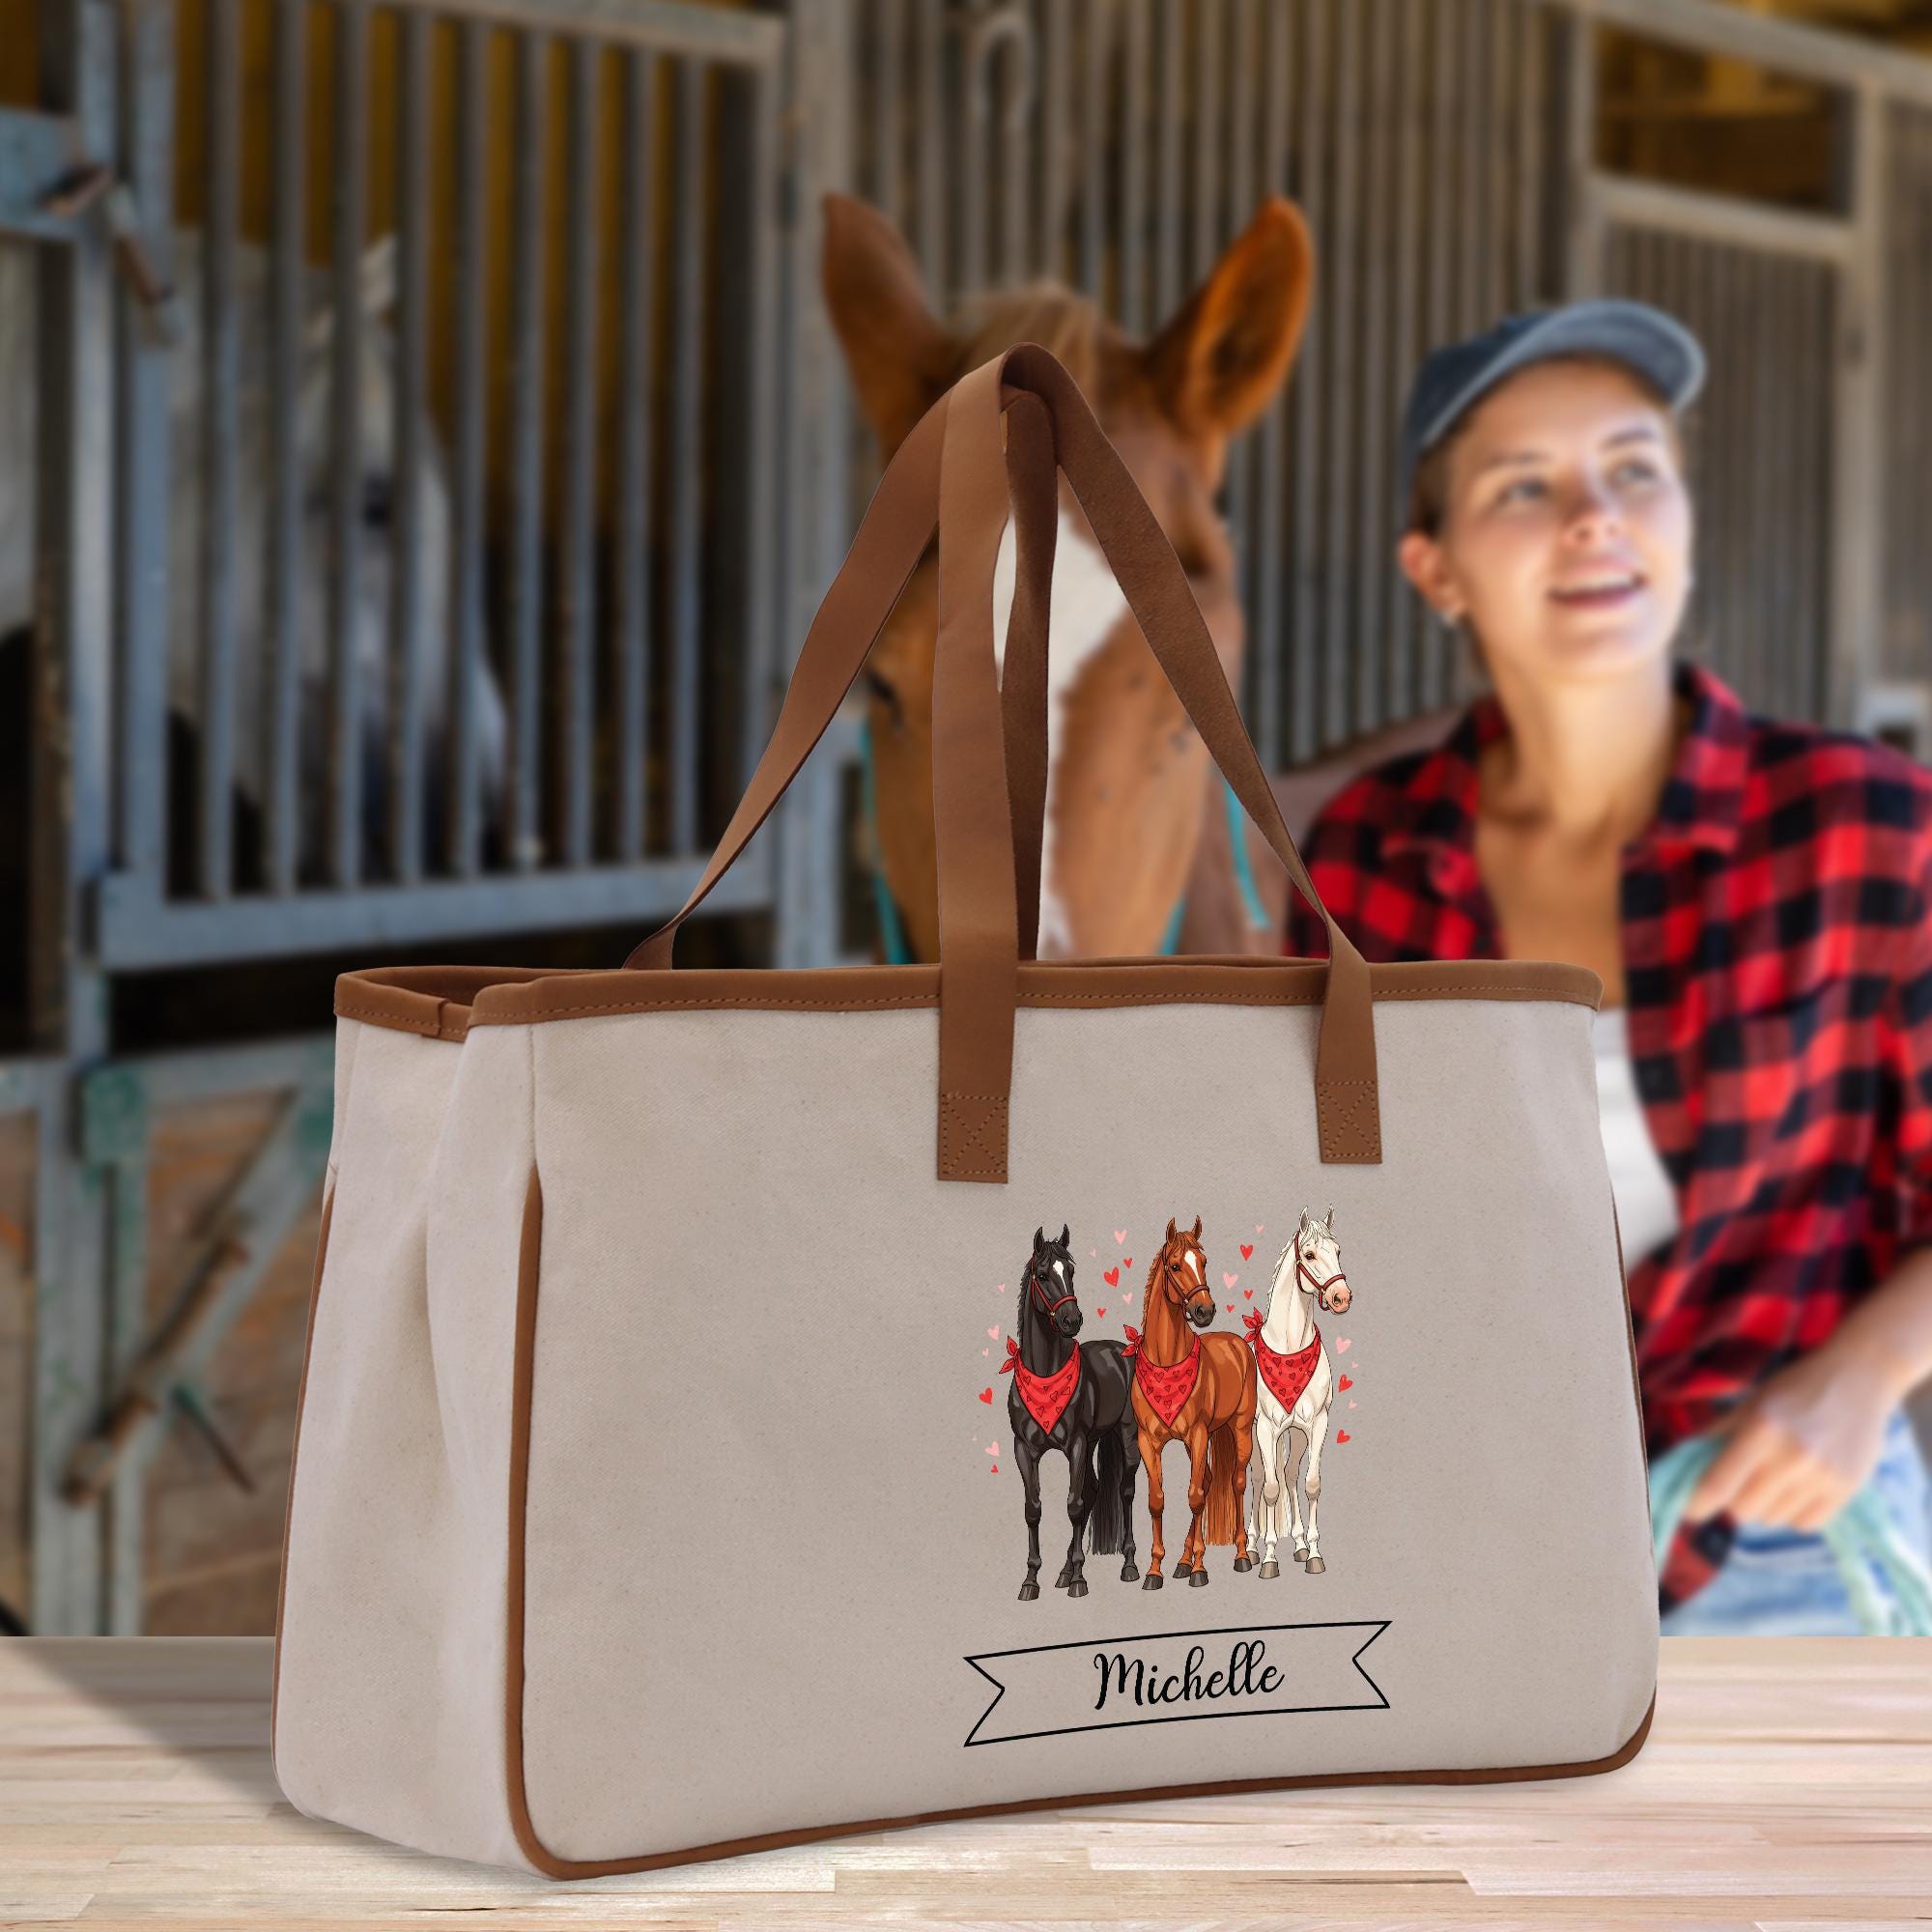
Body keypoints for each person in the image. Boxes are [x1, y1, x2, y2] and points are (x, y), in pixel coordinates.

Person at [1282, 298, 1932, 1634]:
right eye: (1524, 487)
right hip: (1466, 1547)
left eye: (1634, 469)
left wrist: (1863, 1379)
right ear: (1437, 569)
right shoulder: (1360, 862)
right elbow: (1329, 1209)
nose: (1594, 516)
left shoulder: (1866, 827)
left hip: (1788, 1547)